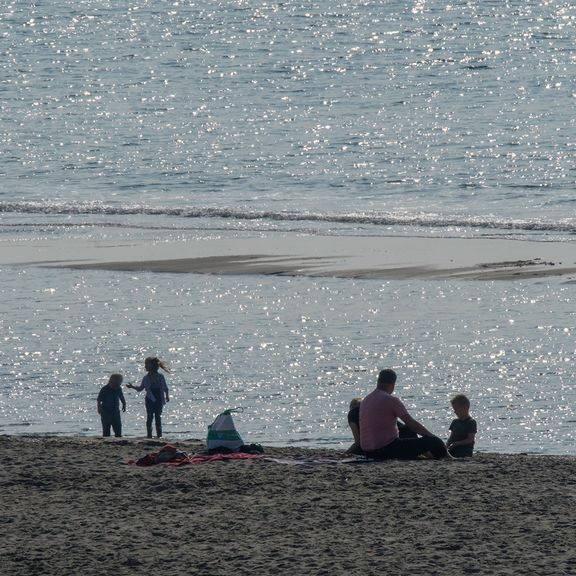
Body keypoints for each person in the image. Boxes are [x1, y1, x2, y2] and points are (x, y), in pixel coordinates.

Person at [359, 369, 448, 460]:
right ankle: (447, 458)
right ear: (393, 384)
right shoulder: (391, 400)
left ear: (378, 382)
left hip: (368, 452)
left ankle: (428, 455)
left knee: (407, 430)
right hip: (387, 450)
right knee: (434, 441)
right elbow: (412, 423)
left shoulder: (365, 400)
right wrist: (431, 436)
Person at [127, 357, 170, 438]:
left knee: (158, 416)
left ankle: (159, 435)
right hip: (149, 399)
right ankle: (149, 435)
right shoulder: (146, 378)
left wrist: (167, 396)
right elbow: (140, 388)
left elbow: (165, 387)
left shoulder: (160, 376)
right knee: (149, 416)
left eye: (147, 364)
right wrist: (132, 387)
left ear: (153, 366)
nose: (145, 366)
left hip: (159, 398)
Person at [97, 373, 126, 438]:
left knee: (118, 428)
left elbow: (121, 397)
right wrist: (99, 408)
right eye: (116, 384)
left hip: (115, 411)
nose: (117, 386)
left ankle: (118, 438)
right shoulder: (105, 389)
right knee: (106, 429)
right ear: (110, 382)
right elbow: (99, 399)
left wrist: (124, 404)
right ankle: (106, 438)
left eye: (119, 384)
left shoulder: (119, 389)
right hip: (106, 412)